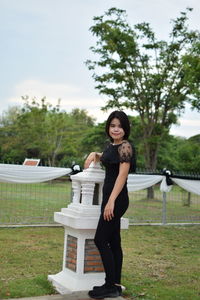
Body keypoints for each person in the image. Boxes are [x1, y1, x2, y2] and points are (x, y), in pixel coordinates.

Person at [84, 110, 136, 299]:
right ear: (108, 127)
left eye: (120, 126)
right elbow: (107, 157)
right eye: (113, 125)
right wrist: (94, 154)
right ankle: (115, 285)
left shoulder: (125, 147)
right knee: (114, 241)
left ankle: (109, 284)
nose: (116, 129)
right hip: (110, 199)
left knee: (100, 239)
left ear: (125, 129)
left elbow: (122, 175)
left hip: (117, 199)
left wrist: (111, 201)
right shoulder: (112, 146)